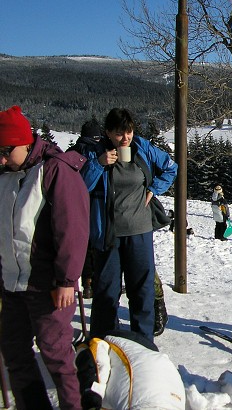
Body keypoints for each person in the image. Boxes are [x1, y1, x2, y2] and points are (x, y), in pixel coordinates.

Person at [0, 105, 90, 409]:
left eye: (5, 150)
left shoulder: (54, 170)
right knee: (15, 353)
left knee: (56, 354)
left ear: (24, 142)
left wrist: (67, 280)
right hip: (11, 283)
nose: (1, 157)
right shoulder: (5, 174)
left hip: (47, 285)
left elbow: (73, 229)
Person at [81, 108, 177, 342]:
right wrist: (99, 164)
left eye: (129, 132)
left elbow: (171, 168)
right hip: (108, 233)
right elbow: (81, 186)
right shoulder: (94, 152)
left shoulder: (142, 148)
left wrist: (154, 189)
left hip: (140, 230)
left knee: (141, 290)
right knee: (106, 292)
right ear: (107, 133)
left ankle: (143, 342)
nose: (125, 138)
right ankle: (102, 343)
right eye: (119, 134)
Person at [74, 330, 185, 410]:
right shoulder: (125, 401)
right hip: (118, 340)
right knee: (86, 356)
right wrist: (91, 396)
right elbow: (97, 351)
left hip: (157, 359)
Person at [67, 119, 104, 299]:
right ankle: (95, 280)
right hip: (95, 203)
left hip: (74, 205)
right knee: (95, 244)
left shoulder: (72, 152)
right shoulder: (98, 152)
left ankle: (86, 282)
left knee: (82, 245)